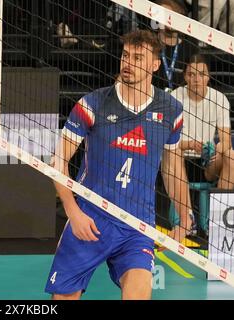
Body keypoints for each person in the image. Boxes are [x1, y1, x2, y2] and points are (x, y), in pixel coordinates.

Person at [46, 30, 192, 300]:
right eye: (126, 55)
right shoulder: (93, 103)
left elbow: (172, 168)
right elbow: (58, 161)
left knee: (138, 294)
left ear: (154, 65)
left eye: (138, 58)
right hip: (90, 217)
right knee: (64, 298)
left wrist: (185, 220)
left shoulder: (171, 110)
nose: (128, 63)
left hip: (137, 225)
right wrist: (73, 212)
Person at [172, 54, 234, 190]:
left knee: (230, 154)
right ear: (185, 77)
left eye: (201, 74)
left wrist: (218, 149)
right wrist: (190, 144)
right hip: (180, 160)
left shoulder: (219, 99)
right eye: (191, 74)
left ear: (208, 76)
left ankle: (218, 208)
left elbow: (226, 141)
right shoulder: (175, 97)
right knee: (174, 152)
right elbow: (166, 140)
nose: (197, 79)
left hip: (208, 163)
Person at [152, 0, 198, 91]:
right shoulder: (149, 45)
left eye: (173, 15)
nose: (170, 20)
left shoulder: (192, 49)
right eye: (166, 16)